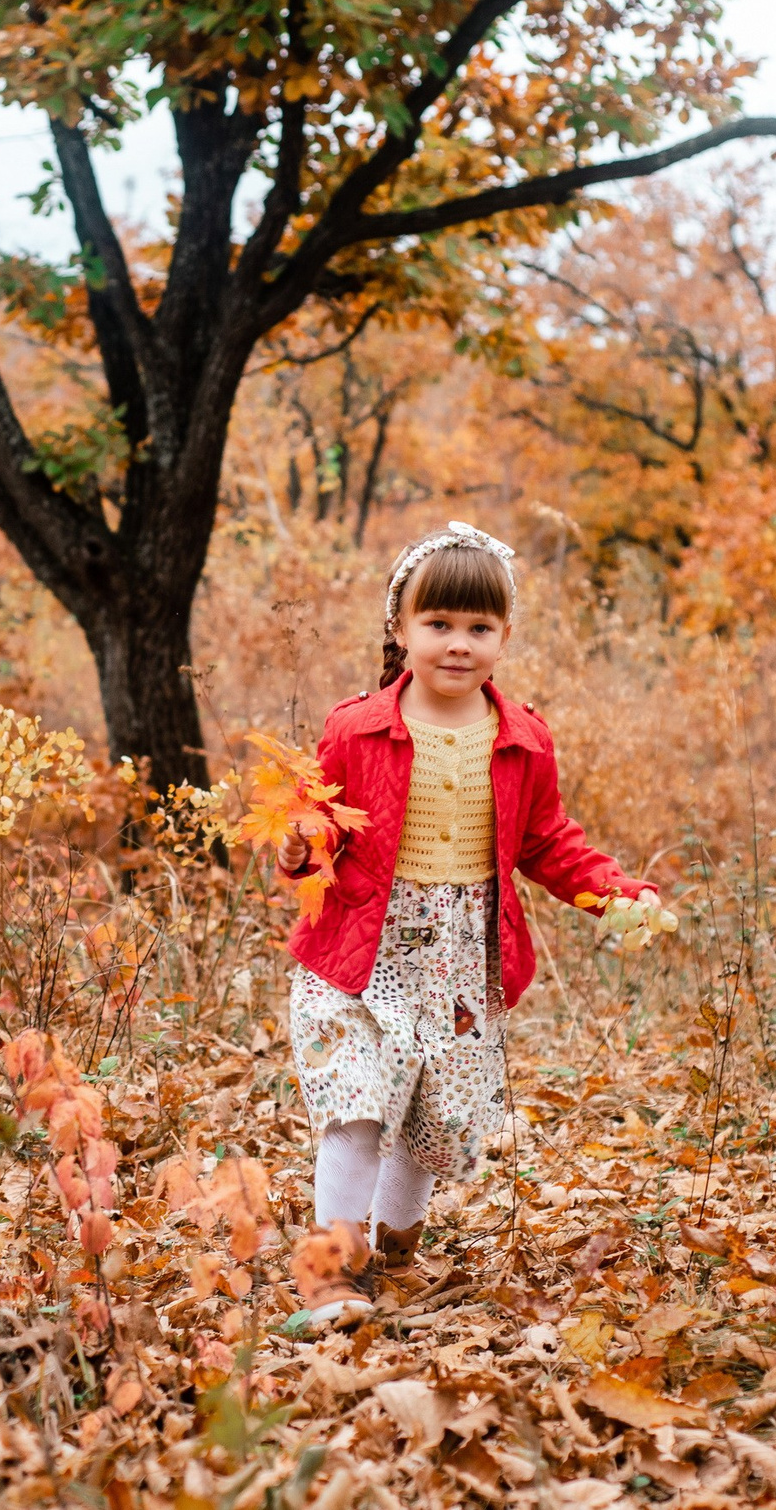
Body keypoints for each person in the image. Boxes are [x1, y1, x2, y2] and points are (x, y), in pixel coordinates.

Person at [275, 522, 661, 1329]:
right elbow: (320, 826)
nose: (458, 644)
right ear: (402, 629)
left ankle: (391, 1248)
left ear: (504, 637)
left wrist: (613, 894)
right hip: (359, 950)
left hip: (459, 957)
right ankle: (329, 1275)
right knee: (355, 1105)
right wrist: (302, 848)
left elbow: (548, 840)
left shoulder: (521, 738)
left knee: (431, 1123)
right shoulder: (355, 727)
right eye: (439, 625)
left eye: (479, 628)